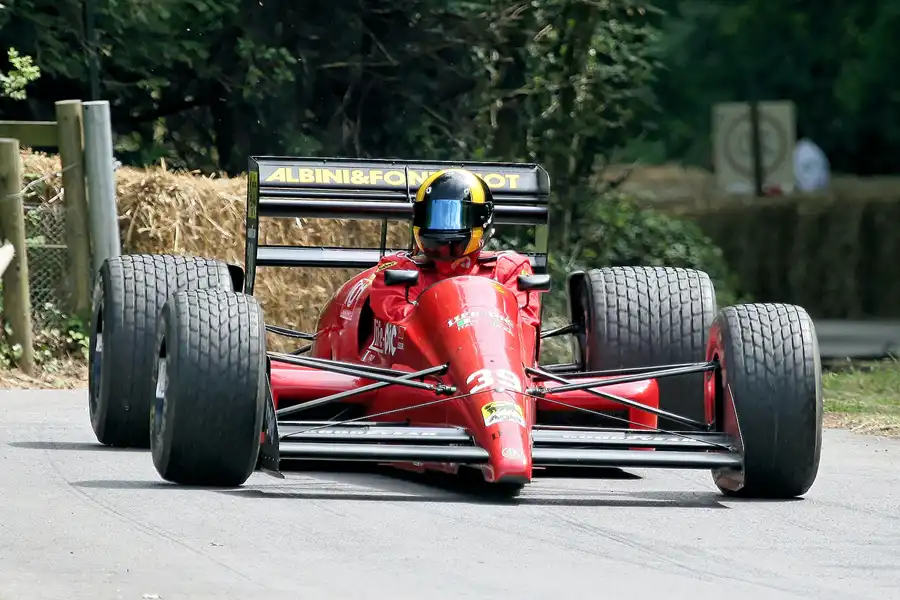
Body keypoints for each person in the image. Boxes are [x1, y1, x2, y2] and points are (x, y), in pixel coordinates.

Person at [368, 168, 540, 327]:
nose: (444, 229)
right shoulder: (398, 271)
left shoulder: (508, 270)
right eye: (434, 217)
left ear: (482, 220)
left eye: (454, 217)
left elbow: (522, 327)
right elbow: (401, 324)